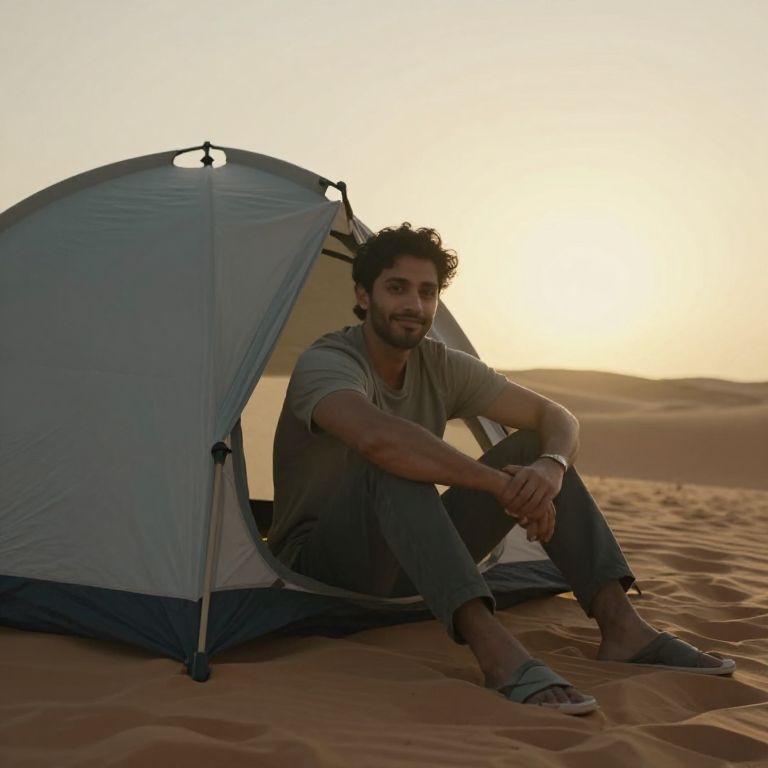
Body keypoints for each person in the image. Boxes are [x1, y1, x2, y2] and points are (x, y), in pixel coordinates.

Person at [268, 223, 734, 715]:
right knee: (390, 464)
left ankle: (624, 630)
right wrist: (498, 485)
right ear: (363, 296)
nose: (414, 305)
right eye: (397, 288)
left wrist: (549, 469)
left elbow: (556, 417)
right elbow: (377, 439)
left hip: (413, 568)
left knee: (533, 447)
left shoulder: (440, 364)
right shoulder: (328, 362)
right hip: (318, 573)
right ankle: (497, 654)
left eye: (427, 293)